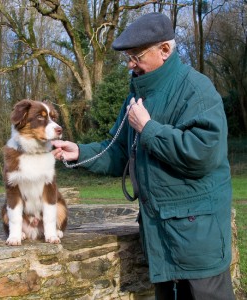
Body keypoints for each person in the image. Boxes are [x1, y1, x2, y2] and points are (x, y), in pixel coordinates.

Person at [52, 12, 235, 300]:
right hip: (160, 235)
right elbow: (119, 152)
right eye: (128, 56)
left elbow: (203, 155)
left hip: (199, 237)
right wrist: (79, 152)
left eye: (136, 56)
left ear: (164, 50)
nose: (130, 64)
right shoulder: (136, 96)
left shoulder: (196, 89)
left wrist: (148, 129)